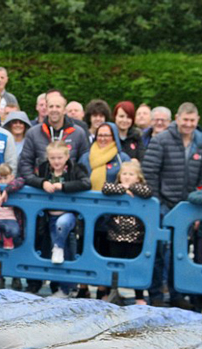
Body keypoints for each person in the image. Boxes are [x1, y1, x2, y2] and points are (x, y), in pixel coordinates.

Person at [142, 102, 202, 309]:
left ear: (197, 120)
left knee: (181, 252)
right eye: (185, 119)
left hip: (188, 207)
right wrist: (157, 204)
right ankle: (156, 293)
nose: (188, 124)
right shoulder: (161, 140)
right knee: (159, 250)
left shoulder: (200, 142)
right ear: (177, 118)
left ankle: (177, 294)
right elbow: (149, 173)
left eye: (192, 120)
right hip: (163, 204)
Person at [25, 140, 91, 271]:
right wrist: (42, 182)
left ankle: (58, 247)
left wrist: (64, 186)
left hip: (69, 214)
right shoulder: (44, 168)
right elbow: (29, 178)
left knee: (63, 228)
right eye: (52, 158)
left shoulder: (75, 168)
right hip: (49, 215)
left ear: (67, 157)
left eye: (60, 158)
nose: (56, 161)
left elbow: (86, 183)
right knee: (56, 253)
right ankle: (61, 287)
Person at [101, 161, 152, 306]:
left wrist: (131, 187)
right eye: (124, 174)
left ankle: (139, 296)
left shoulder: (140, 188)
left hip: (136, 236)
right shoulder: (116, 187)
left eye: (131, 174)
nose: (127, 177)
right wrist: (123, 189)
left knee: (136, 266)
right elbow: (105, 188)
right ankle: (112, 292)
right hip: (115, 234)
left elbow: (148, 192)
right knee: (114, 266)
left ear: (138, 177)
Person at [18, 91, 89, 181]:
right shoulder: (33, 133)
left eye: (58, 106)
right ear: (47, 109)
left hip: (69, 191)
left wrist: (71, 185)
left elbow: (84, 164)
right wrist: (40, 183)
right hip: (40, 191)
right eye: (51, 106)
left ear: (64, 111)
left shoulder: (78, 133)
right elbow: (25, 163)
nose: (54, 109)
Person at [79, 122, 130, 191]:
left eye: (106, 135)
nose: (103, 139)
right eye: (100, 135)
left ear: (114, 137)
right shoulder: (85, 157)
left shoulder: (123, 158)